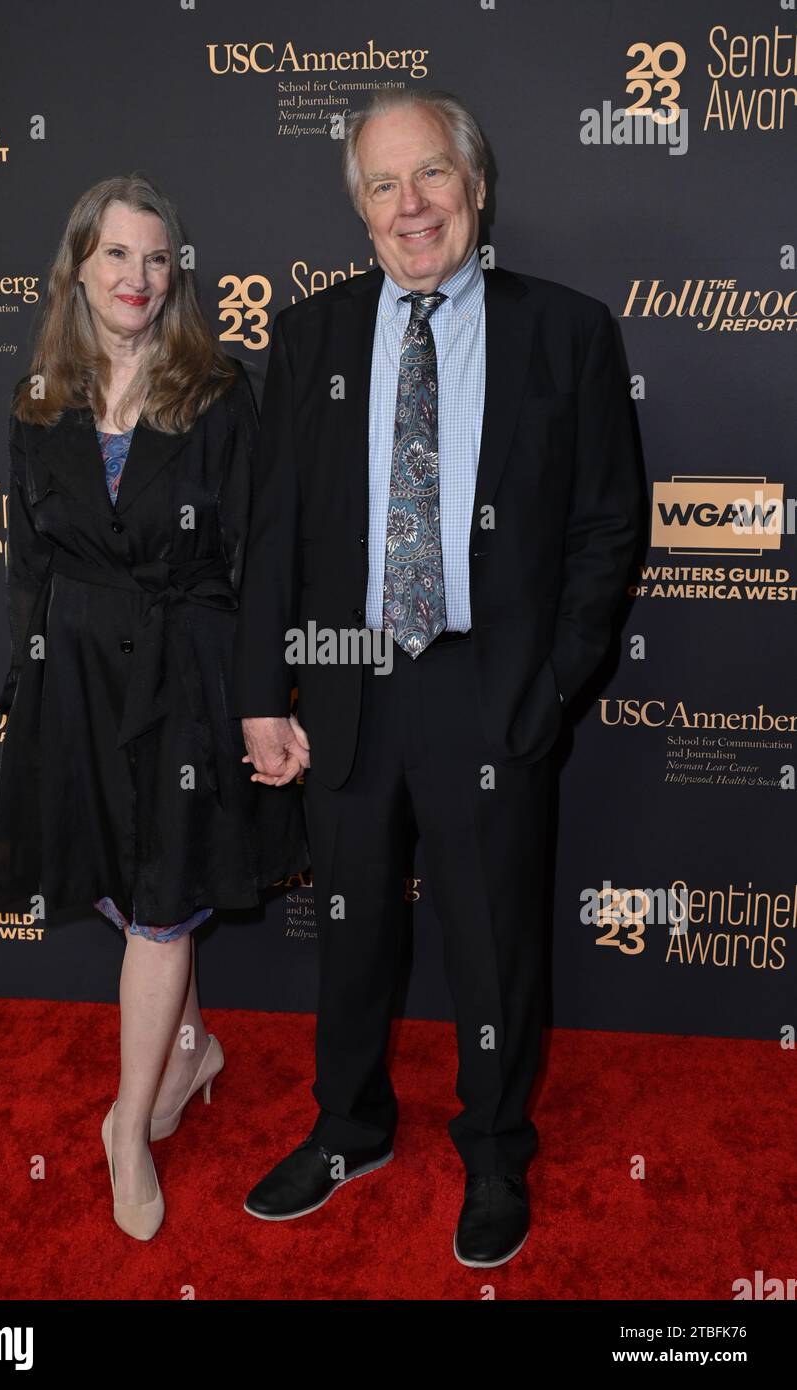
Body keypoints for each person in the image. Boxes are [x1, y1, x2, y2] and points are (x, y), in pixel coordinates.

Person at [233, 91, 642, 1266]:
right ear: (358, 205)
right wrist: (266, 691)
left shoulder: (563, 331)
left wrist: (551, 679)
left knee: (493, 939)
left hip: (489, 682)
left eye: (431, 178)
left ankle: (496, 1151)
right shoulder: (311, 337)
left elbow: (610, 524)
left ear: (475, 184)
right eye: (382, 185)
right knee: (351, 932)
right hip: (351, 669)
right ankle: (350, 1127)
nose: (411, 207)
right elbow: (273, 532)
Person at [0, 173, 308, 1242]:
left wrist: (264, 695)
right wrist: (28, 691)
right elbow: (31, 564)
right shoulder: (40, 398)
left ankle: (128, 1128)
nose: (138, 277)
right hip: (78, 676)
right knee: (132, 891)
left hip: (187, 674)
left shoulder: (218, 388)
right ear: (78, 264)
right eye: (117, 255)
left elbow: (261, 557)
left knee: (163, 898)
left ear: (177, 274)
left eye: (157, 257)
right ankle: (191, 1049)